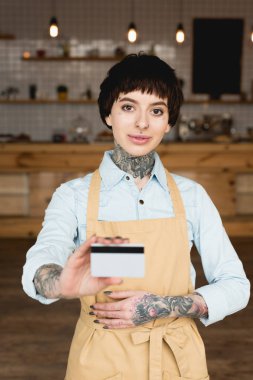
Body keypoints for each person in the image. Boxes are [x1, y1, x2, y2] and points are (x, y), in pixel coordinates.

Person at [22, 53, 250, 380]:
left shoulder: (192, 197)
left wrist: (163, 306)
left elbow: (236, 286)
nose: (142, 123)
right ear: (108, 114)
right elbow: (42, 261)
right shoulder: (73, 196)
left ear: (168, 122)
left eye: (156, 111)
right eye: (128, 107)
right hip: (100, 361)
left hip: (177, 360)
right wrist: (59, 282)